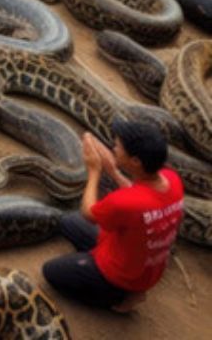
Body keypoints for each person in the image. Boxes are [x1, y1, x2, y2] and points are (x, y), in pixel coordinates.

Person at [42, 120, 184, 312]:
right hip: (143, 262)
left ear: (135, 162)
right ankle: (94, 265)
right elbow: (142, 196)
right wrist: (113, 170)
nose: (113, 148)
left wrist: (94, 170)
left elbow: (88, 212)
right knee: (67, 222)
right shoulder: (171, 179)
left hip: (123, 276)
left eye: (118, 146)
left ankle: (120, 298)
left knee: (51, 272)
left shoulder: (125, 202)